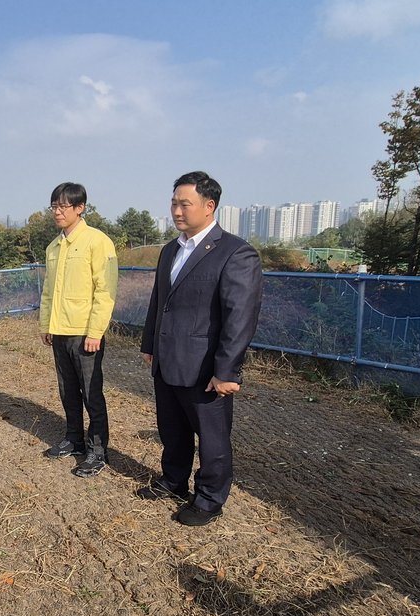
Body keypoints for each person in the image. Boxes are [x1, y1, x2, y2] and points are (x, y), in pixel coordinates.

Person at [138, 171, 263, 526]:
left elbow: (240, 317)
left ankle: (209, 498)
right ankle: (173, 480)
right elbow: (159, 302)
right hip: (167, 358)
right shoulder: (170, 250)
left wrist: (227, 370)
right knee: (172, 428)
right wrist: (150, 343)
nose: (177, 211)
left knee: (212, 439)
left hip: (205, 366)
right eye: (174, 203)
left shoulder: (235, 252)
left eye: (185, 204)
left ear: (209, 206)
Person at [38, 182, 118, 477]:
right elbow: (49, 290)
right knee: (67, 390)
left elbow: (105, 290)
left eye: (63, 206)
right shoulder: (53, 247)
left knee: (91, 393)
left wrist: (96, 331)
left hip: (85, 333)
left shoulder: (97, 242)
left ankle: (97, 450)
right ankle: (74, 439)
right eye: (54, 206)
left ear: (80, 208)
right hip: (60, 331)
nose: (57, 212)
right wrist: (46, 324)